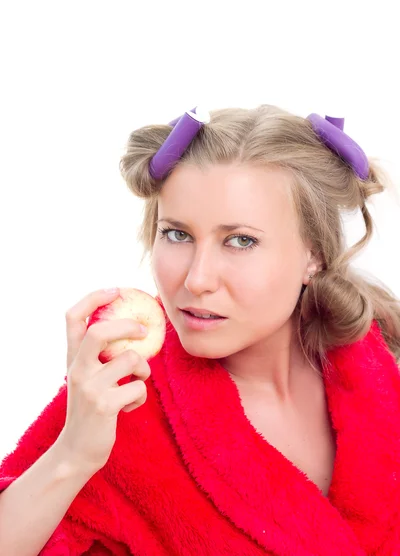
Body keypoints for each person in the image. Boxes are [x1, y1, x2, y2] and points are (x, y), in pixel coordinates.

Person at [1, 104, 400, 556]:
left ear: (314, 255)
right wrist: (73, 454)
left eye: (241, 240)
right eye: (176, 234)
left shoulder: (385, 366)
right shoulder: (121, 403)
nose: (196, 280)